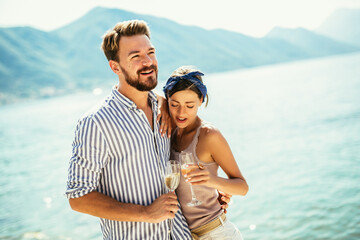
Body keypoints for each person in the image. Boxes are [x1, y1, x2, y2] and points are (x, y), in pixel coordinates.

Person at [65, 20, 229, 240]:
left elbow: (186, 157)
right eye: (136, 57)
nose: (148, 62)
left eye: (151, 52)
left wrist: (209, 192)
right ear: (115, 67)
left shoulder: (166, 110)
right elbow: (78, 197)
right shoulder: (96, 122)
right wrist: (145, 213)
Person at [163, 66, 249, 240]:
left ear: (201, 100)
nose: (181, 112)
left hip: (216, 233)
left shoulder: (209, 135)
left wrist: (212, 181)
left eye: (190, 105)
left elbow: (242, 187)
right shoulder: (169, 131)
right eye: (175, 104)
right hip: (184, 234)